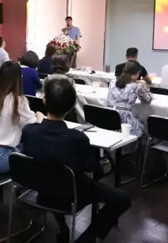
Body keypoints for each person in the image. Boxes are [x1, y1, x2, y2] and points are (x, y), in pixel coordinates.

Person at [22, 78, 131, 242]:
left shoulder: (29, 131)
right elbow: (94, 168)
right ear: (73, 105)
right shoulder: (77, 138)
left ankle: (62, 227)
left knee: (55, 176)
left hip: (41, 191)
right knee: (123, 198)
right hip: (72, 196)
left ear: (44, 100)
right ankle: (88, 238)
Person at [0, 61, 42, 173]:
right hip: (0, 158)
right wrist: (40, 116)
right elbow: (32, 124)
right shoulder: (18, 101)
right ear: (19, 78)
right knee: (33, 152)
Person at [107, 61, 152, 137]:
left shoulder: (112, 82)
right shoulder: (136, 86)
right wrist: (144, 86)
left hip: (109, 118)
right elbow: (147, 100)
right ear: (136, 74)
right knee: (144, 127)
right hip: (125, 121)